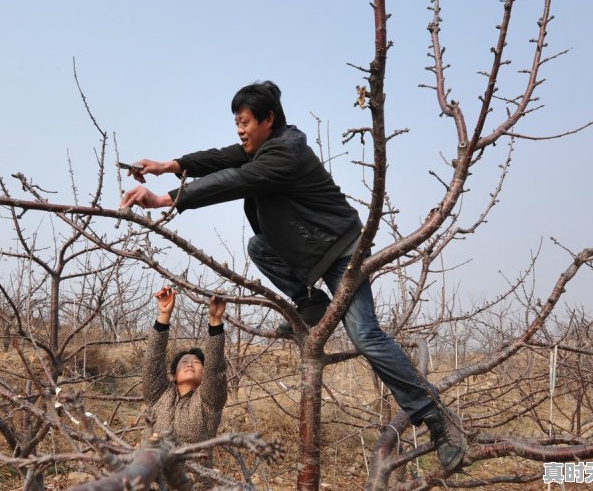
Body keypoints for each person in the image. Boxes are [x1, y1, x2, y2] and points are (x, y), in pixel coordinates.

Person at [122, 81, 467, 471]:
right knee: (260, 247)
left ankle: (438, 419)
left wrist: (167, 198)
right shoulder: (265, 146)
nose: (239, 129)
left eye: (245, 121)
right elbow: (223, 158)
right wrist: (172, 165)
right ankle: (310, 302)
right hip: (312, 249)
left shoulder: (284, 153)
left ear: (268, 120)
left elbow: (234, 179)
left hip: (340, 250)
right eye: (236, 121)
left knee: (366, 335)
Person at [142, 286, 228, 446]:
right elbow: (152, 361)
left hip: (192, 471)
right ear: (174, 374)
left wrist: (215, 321)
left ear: (205, 374)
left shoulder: (208, 402)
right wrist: (164, 316)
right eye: (184, 362)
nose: (190, 364)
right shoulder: (158, 395)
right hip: (151, 469)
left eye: (196, 362)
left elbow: (215, 368)